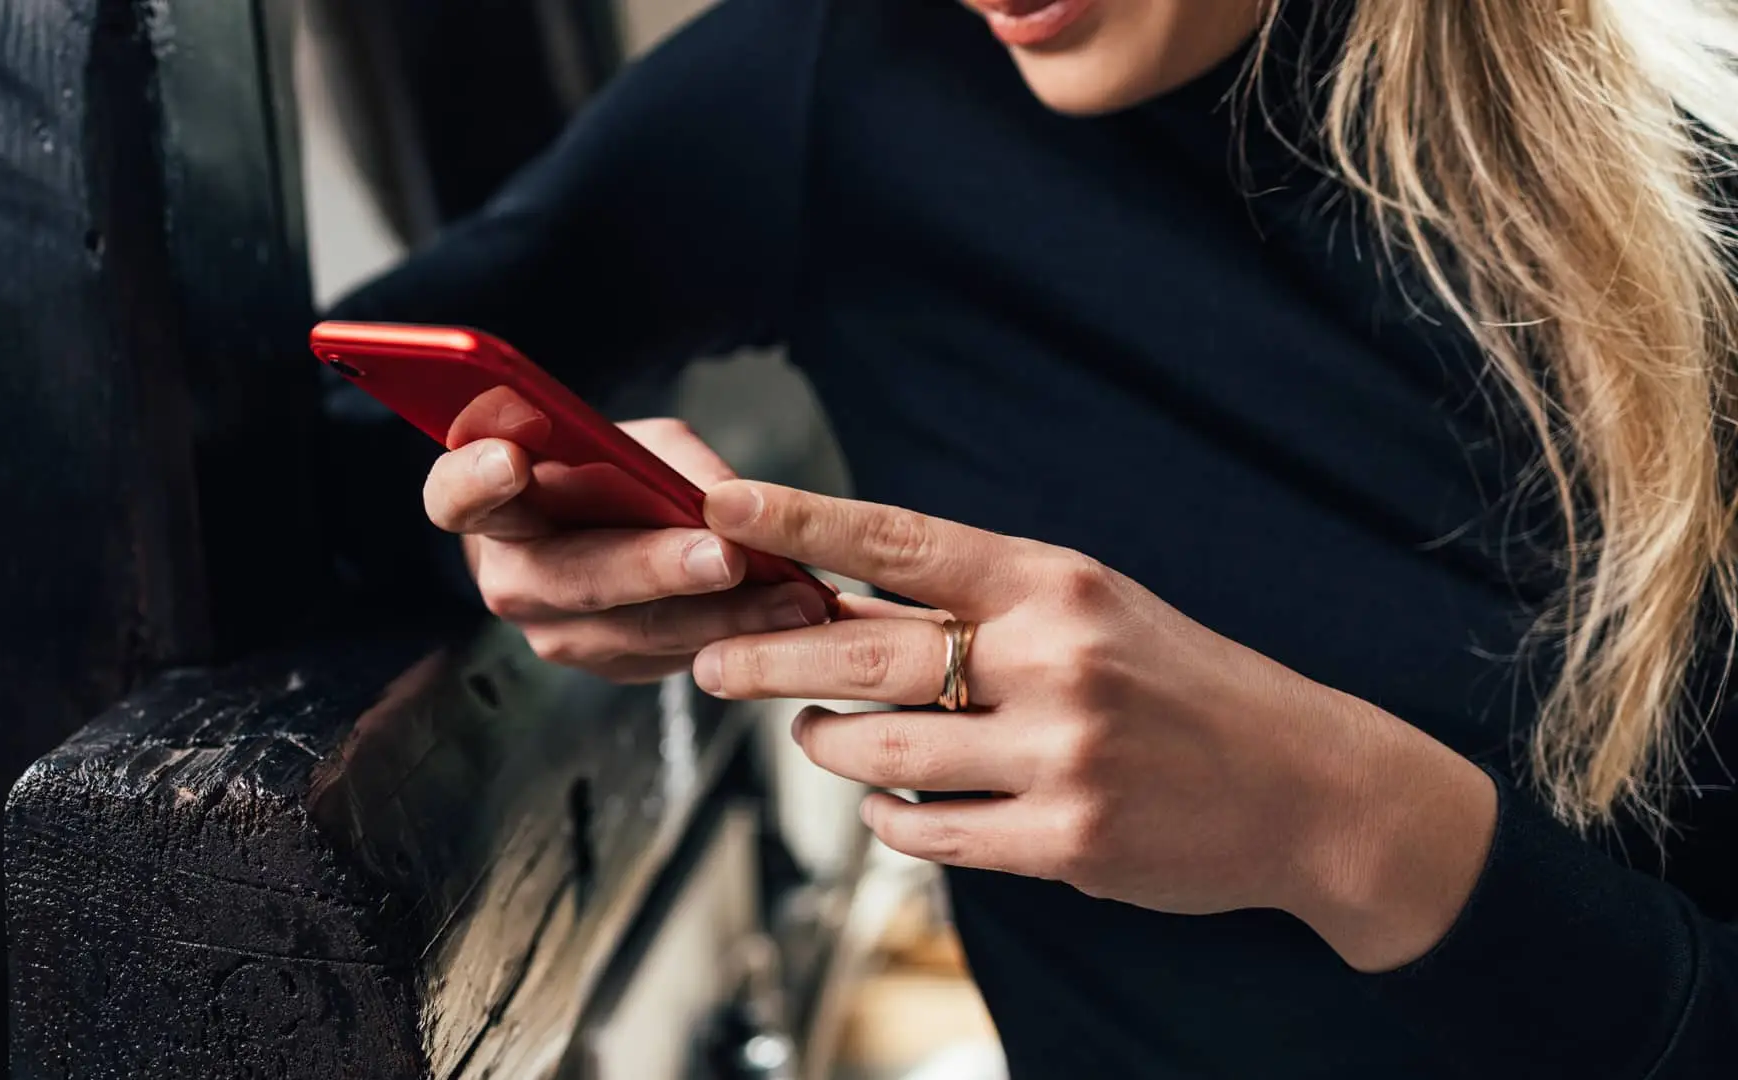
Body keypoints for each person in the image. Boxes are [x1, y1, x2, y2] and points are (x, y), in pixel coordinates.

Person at [326, 0, 1738, 1074]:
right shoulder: (838, 81)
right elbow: (329, 430)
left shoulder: (1698, 198)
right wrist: (525, 537)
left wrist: (1360, 830)